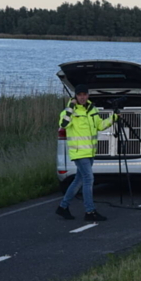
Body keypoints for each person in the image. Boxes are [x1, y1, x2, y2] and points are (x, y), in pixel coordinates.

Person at [56, 84, 117, 222]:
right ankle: (90, 211)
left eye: (84, 95)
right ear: (75, 96)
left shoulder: (92, 110)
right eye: (79, 95)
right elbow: (63, 124)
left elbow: (100, 125)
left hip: (90, 152)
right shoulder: (69, 111)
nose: (82, 97)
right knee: (89, 179)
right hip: (78, 153)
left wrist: (114, 118)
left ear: (88, 95)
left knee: (79, 180)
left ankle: (63, 207)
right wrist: (70, 107)